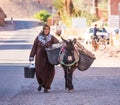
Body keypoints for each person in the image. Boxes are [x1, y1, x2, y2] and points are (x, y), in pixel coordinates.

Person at [29, 24, 59, 93]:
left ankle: (46, 87)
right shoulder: (38, 37)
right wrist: (31, 56)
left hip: (49, 58)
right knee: (39, 72)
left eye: (48, 29)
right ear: (43, 30)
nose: (46, 30)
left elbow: (57, 44)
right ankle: (41, 84)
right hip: (39, 58)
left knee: (50, 73)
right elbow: (34, 47)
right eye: (45, 29)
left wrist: (52, 47)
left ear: (49, 30)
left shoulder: (52, 37)